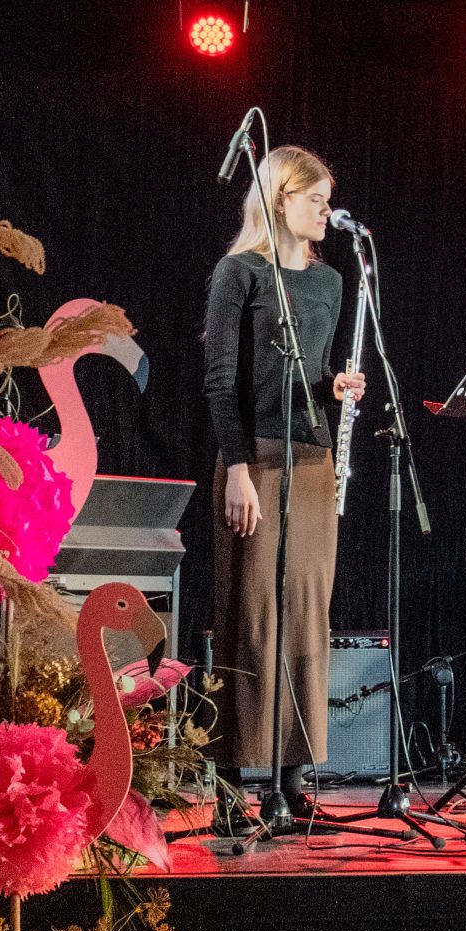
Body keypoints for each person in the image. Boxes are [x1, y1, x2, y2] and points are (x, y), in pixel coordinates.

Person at [202, 145, 366, 826]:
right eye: (314, 199)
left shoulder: (330, 282)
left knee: (305, 614)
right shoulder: (238, 272)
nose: (326, 211)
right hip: (257, 461)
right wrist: (237, 467)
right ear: (280, 198)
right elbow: (221, 380)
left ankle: (293, 779)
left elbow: (312, 372)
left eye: (328, 200)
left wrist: (334, 386)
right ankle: (229, 784)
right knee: (250, 614)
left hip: (312, 462)